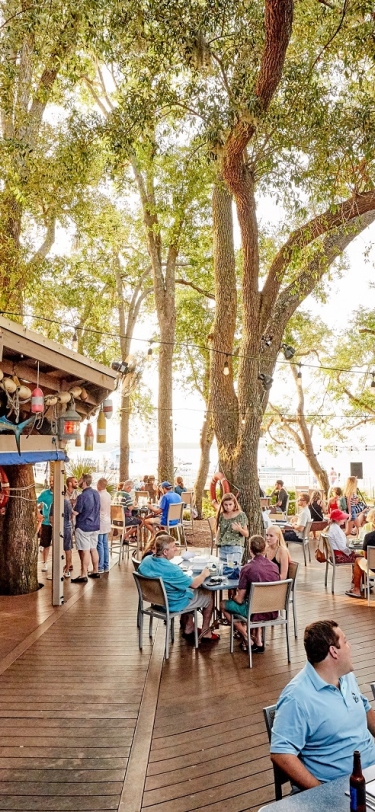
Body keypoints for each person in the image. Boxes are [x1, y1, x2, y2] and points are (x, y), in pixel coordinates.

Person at [270, 619, 375, 787]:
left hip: (371, 775)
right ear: (334, 651)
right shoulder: (297, 697)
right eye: (346, 642)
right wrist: (321, 793)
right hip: (339, 787)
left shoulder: (346, 676)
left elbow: (365, 709)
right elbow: (281, 753)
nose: (350, 646)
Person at [138, 534, 218, 641]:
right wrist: (204, 574)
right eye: (173, 547)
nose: (176, 549)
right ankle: (206, 631)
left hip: (156, 601)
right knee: (209, 594)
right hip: (172, 604)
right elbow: (194, 584)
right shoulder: (172, 570)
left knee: (187, 590)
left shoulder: (146, 560)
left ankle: (189, 625)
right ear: (165, 552)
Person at [221, 535, 279, 652]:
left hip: (254, 611)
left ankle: (246, 637)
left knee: (223, 604)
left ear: (250, 550)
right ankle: (258, 639)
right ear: (264, 549)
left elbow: (240, 600)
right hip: (272, 609)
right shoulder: (274, 567)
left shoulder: (247, 568)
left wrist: (234, 597)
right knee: (258, 602)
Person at [71, 474, 100, 583]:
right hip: (95, 525)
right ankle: (96, 570)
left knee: (85, 550)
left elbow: (77, 511)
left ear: (83, 481)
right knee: (93, 548)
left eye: (79, 479)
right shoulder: (96, 493)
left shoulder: (82, 496)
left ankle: (83, 574)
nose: (78, 481)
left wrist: (69, 507)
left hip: (84, 526)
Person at [346, 529, 375, 598]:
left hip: (373, 568)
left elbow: (366, 557)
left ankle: (356, 589)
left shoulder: (369, 536)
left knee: (358, 560)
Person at [37, 475, 54, 572]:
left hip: (58, 524)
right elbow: (35, 502)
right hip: (46, 523)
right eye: (50, 481)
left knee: (59, 545)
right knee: (46, 544)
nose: (51, 483)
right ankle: (45, 563)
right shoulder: (44, 493)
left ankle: (64, 565)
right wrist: (38, 513)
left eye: (53, 481)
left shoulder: (61, 493)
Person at [97, 478, 111, 574]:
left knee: (100, 544)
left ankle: (100, 566)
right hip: (107, 520)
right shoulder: (108, 495)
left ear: (99, 485)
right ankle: (106, 565)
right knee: (105, 544)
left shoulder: (99, 495)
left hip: (100, 521)